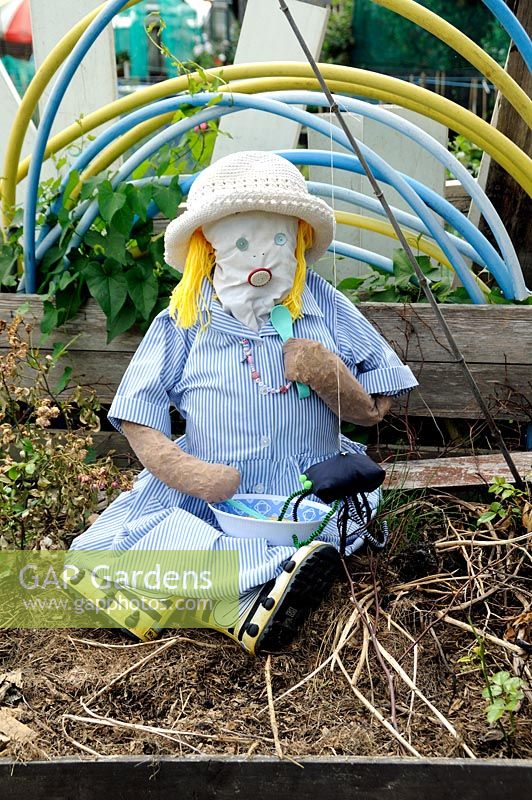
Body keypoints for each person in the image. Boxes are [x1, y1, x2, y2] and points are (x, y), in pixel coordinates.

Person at [70, 151, 418, 654]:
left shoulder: (322, 304)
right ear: (207, 249)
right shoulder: (186, 317)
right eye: (240, 243)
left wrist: (329, 375)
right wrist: (190, 473)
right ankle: (241, 608)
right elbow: (136, 413)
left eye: (278, 240)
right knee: (114, 546)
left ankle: (225, 596)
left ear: (298, 239)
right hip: (212, 495)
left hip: (306, 486)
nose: (261, 259)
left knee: (299, 539)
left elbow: (377, 403)